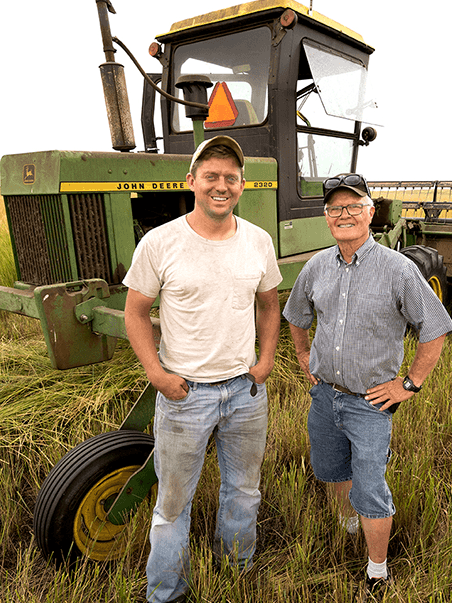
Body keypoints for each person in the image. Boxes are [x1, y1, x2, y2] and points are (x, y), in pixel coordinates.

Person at [123, 135, 282, 603]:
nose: (221, 185)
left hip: (245, 393)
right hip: (184, 393)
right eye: (211, 176)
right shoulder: (161, 242)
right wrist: (156, 373)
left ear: (242, 185)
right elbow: (135, 312)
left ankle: (236, 571)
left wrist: (266, 360)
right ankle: (167, 592)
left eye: (230, 178)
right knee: (173, 504)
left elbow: (270, 305)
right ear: (191, 181)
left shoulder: (258, 240)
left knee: (244, 491)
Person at [282, 173, 452, 594]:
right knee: (330, 469)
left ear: (370, 213)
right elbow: (296, 316)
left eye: (353, 207)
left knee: (371, 486)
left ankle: (376, 570)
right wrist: (304, 357)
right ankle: (346, 529)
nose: (344, 215)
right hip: (324, 397)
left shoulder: (399, 269)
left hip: (370, 403)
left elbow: (435, 328)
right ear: (326, 218)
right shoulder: (317, 266)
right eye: (336, 209)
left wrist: (409, 385)